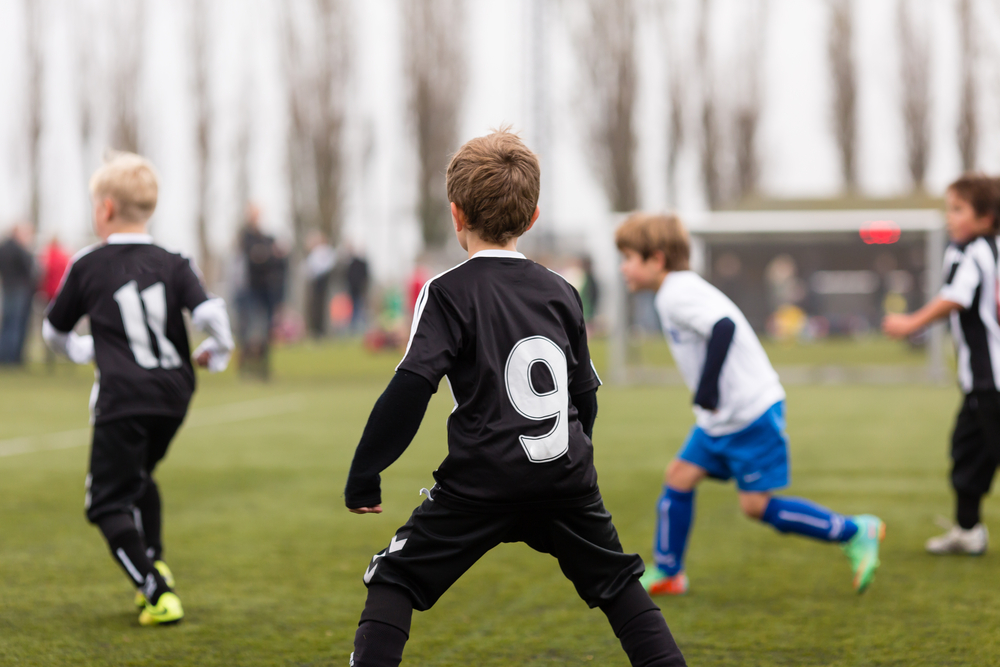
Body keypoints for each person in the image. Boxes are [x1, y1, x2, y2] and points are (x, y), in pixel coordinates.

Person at [344, 129, 686, 667]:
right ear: (532, 217)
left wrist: (366, 471)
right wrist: (573, 463)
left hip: (482, 481)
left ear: (456, 215)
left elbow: (412, 386)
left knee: (395, 577)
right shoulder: (560, 290)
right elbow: (585, 396)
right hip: (563, 474)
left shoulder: (447, 291)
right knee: (619, 583)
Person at [615, 213, 884, 597]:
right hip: (722, 419)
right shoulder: (675, 290)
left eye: (628, 258)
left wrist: (707, 390)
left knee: (756, 506)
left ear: (656, 259)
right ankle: (670, 572)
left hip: (748, 414)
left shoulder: (676, 292)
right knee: (679, 475)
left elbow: (723, 326)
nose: (623, 267)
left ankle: (855, 530)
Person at [42, 152, 234, 626]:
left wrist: (85, 352)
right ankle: (155, 557)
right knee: (138, 478)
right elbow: (209, 313)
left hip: (122, 398)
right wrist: (221, 348)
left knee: (104, 502)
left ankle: (156, 589)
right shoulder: (173, 260)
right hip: (173, 395)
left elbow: (53, 332)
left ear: (105, 209)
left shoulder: (88, 264)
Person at [883, 174, 1000, 555]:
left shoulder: (974, 251)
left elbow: (955, 297)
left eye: (958, 209)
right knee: (966, 453)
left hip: (991, 382)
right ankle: (968, 532)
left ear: (985, 218)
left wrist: (910, 323)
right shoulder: (978, 249)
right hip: (976, 383)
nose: (949, 217)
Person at [0, 223, 36, 365]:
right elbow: (30, 269)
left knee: (7, 324)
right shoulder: (20, 249)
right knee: (15, 324)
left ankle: (3, 356)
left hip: (7, 288)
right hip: (20, 290)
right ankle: (13, 358)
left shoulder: (3, 248)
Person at [305, 231, 336, 338]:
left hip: (321, 281)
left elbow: (326, 265)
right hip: (314, 281)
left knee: (320, 306)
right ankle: (314, 329)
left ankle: (320, 330)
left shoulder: (325, 251)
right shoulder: (315, 252)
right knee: (313, 306)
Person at [346, 250, 369, 333]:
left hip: (358, 290)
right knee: (356, 308)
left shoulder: (356, 264)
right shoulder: (353, 264)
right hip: (355, 290)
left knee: (359, 307)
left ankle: (360, 327)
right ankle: (355, 326)